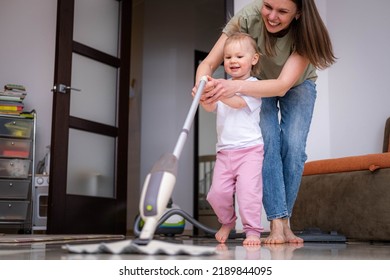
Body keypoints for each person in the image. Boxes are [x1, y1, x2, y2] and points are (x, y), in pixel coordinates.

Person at [194, 0, 336, 244]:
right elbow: (208, 63)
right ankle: (276, 223)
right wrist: (202, 86)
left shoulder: (305, 33)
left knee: (293, 147)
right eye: (268, 6)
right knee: (267, 142)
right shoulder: (249, 16)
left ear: (299, 13)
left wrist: (235, 86)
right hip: (258, 82)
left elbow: (281, 86)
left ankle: (284, 222)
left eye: (282, 12)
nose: (271, 16)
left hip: (296, 84)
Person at [201, 32, 264, 246]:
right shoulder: (222, 86)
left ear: (253, 59)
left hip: (250, 151)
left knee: (248, 193)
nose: (233, 61)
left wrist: (218, 91)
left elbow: (238, 103)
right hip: (225, 152)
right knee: (216, 194)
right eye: (228, 58)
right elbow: (211, 107)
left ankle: (252, 231)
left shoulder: (254, 85)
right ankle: (227, 221)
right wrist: (204, 97)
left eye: (239, 56)